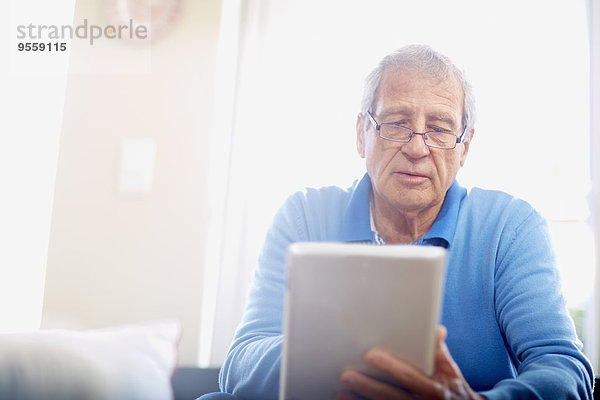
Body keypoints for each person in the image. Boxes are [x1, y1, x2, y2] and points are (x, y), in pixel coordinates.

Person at [199, 44, 594, 400]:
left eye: (439, 129)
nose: (417, 147)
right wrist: (338, 356)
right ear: (362, 134)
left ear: (465, 148)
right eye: (396, 123)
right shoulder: (304, 215)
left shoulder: (510, 225)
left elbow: (563, 368)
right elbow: (240, 366)